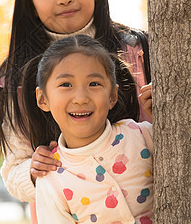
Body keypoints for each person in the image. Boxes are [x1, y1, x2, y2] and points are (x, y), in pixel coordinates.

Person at [0, 0, 152, 210]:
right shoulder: (15, 79)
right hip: (68, 211)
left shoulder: (136, 48)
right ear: (29, 2)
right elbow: (13, 170)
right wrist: (31, 170)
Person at [23, 34, 153, 223]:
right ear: (43, 99)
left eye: (94, 84)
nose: (81, 97)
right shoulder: (51, 180)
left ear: (112, 96)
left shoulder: (142, 136)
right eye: (66, 84)